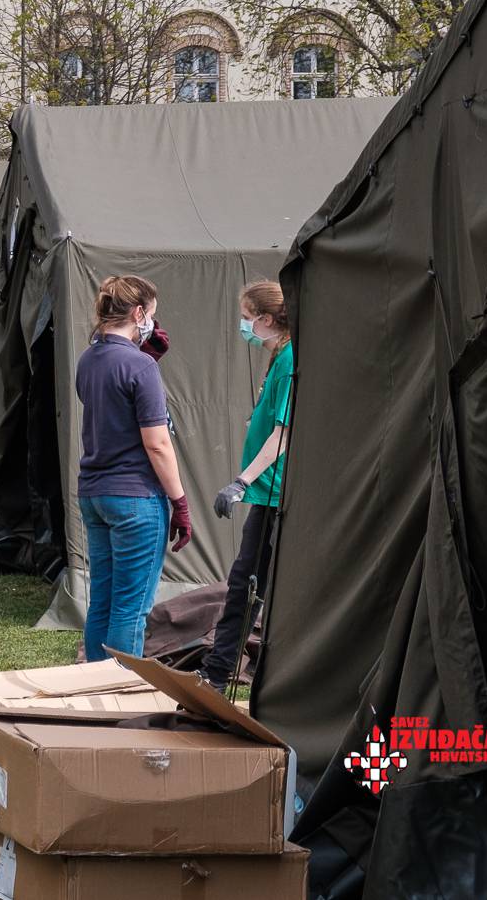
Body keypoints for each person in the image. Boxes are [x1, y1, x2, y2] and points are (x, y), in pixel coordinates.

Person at [74, 275, 194, 664]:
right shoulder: (140, 366)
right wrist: (180, 501)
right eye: (152, 316)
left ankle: (91, 690)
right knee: (131, 608)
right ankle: (120, 696)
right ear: (139, 313)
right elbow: (157, 443)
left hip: (95, 494)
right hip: (135, 498)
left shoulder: (88, 358)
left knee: (103, 603)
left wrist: (146, 361)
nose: (153, 326)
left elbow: (113, 406)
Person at [202, 279, 294, 693]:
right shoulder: (279, 357)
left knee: (246, 587)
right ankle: (218, 672)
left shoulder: (291, 358)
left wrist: (240, 481)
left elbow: (284, 434)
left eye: (246, 318)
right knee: (245, 585)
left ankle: (219, 674)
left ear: (267, 319)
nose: (244, 327)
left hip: (275, 496)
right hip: (267, 494)